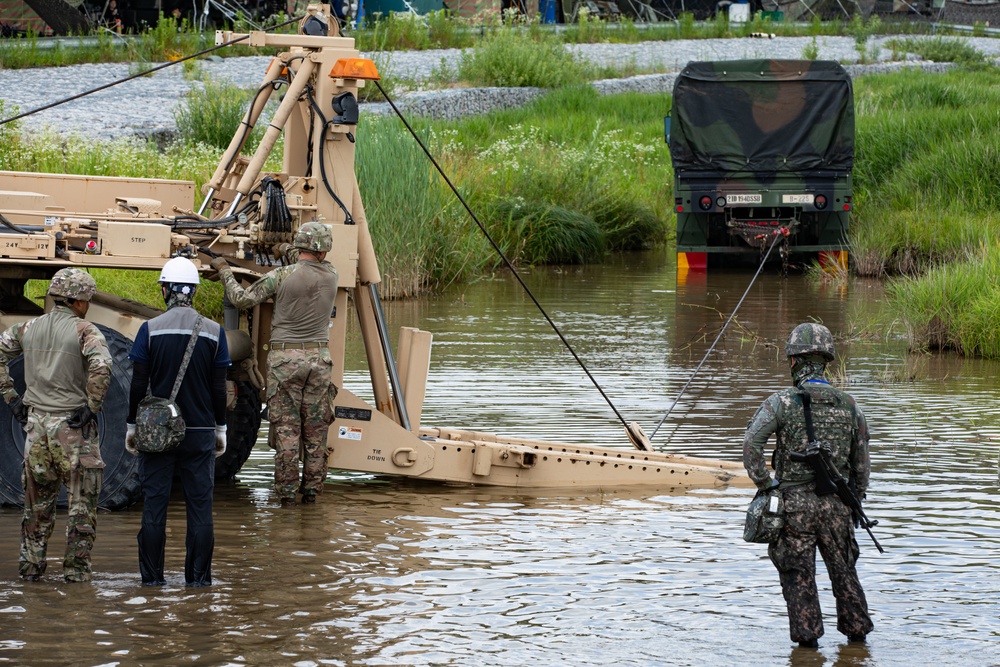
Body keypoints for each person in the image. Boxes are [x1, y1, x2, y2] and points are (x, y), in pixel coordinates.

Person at [743, 322, 874, 648]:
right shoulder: (849, 405)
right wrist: (854, 500)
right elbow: (862, 463)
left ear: (793, 361)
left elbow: (751, 445)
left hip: (794, 507)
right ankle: (858, 644)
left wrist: (767, 485)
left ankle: (807, 648)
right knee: (845, 574)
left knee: (798, 577)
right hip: (837, 506)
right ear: (826, 361)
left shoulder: (781, 402)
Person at [211, 222, 338, 506]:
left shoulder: (281, 276)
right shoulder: (332, 274)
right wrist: (287, 249)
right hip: (319, 360)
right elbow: (304, 261)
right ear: (325, 249)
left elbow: (240, 299)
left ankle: (287, 497)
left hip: (286, 361)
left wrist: (224, 271)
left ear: (301, 246)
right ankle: (312, 493)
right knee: (316, 431)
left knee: (287, 431)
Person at [0, 268, 112, 583]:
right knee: (81, 507)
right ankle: (76, 577)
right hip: (72, 431)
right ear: (79, 301)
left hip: (35, 431)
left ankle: (31, 572)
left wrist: (12, 398)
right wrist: (91, 407)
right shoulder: (85, 330)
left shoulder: (26, 328)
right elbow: (102, 366)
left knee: (36, 508)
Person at [127, 257, 230, 587]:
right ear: (194, 292)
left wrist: (132, 425)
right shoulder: (215, 333)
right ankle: (199, 585)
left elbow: (137, 384)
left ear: (166, 289)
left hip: (157, 433)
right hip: (200, 434)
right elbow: (218, 387)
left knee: (154, 507)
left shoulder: (150, 330)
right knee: (200, 510)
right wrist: (221, 428)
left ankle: (152, 583)